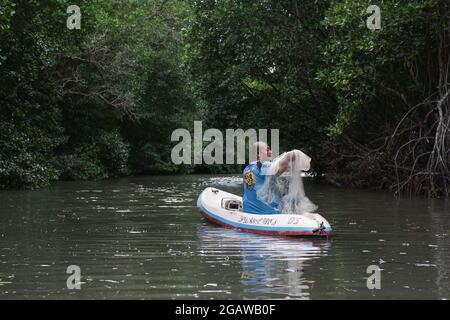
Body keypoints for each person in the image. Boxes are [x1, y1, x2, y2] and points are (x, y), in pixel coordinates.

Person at [242, 142, 298, 214]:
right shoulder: (263, 164)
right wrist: (289, 157)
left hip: (248, 209)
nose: (270, 152)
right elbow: (279, 170)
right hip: (265, 212)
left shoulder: (247, 168)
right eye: (267, 150)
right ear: (258, 154)